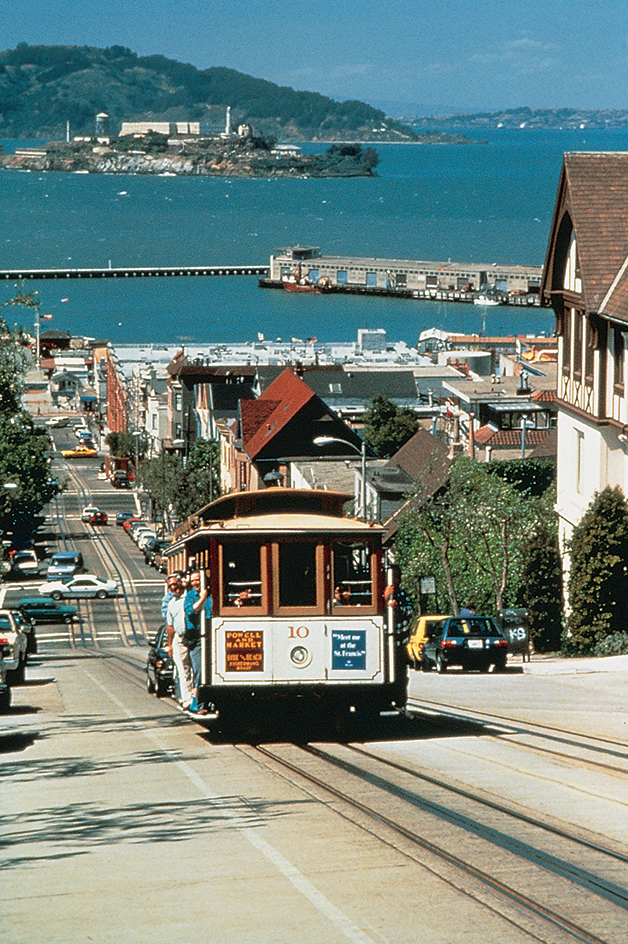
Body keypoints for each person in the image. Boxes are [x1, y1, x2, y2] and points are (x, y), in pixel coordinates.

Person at [183, 569, 212, 714]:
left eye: (198, 579)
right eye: (193, 580)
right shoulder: (190, 596)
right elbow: (191, 611)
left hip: (211, 635)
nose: (195, 582)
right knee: (199, 670)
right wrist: (202, 598)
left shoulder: (211, 595)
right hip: (197, 638)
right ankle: (196, 703)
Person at [165, 575, 194, 710]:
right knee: (183, 669)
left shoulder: (189, 597)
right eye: (170, 586)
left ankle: (194, 698)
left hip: (194, 637)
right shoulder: (171, 603)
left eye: (175, 584)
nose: (173, 588)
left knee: (195, 669)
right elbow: (170, 626)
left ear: (181, 583)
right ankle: (187, 699)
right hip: (180, 638)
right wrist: (170, 644)